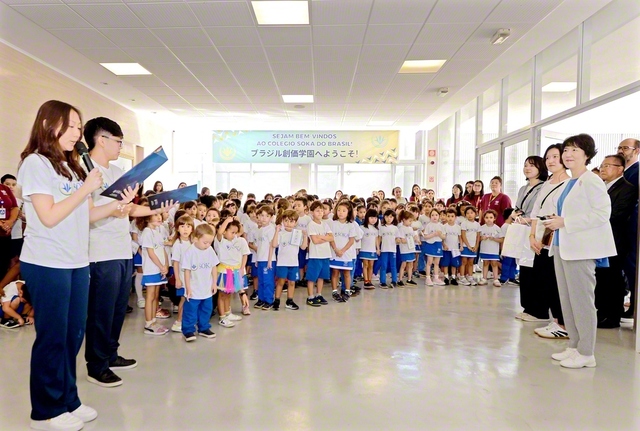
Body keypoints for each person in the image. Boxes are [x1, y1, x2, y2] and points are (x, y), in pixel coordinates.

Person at [17, 100, 136, 430]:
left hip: (76, 261)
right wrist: (86, 189)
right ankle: (45, 411)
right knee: (53, 338)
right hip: (46, 262)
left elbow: (87, 216)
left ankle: (68, 400)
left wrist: (117, 206)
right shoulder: (36, 163)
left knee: (73, 335)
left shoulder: (71, 167)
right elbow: (49, 216)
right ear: (48, 125)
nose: (76, 133)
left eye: (79, 127)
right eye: (70, 126)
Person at [83, 117, 173, 388]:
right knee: (100, 311)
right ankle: (96, 365)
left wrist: (158, 208)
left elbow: (129, 209)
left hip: (122, 249)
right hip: (100, 252)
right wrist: (118, 206)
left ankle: (110, 354)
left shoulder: (115, 172)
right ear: (101, 140)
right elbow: (90, 212)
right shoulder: (85, 171)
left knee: (117, 308)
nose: (121, 146)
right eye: (118, 141)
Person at [544, 134, 616, 369]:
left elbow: (602, 214)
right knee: (567, 301)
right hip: (562, 246)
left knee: (582, 301)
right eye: (566, 150)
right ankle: (574, 346)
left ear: (587, 155)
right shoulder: (570, 182)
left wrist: (566, 222)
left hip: (581, 250)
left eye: (575, 150)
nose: (568, 154)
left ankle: (586, 352)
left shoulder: (592, 180)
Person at [526, 144, 570, 337]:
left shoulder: (569, 183)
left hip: (557, 239)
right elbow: (536, 212)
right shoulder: (546, 183)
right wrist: (532, 236)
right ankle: (556, 321)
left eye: (555, 156)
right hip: (541, 239)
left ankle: (564, 325)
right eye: (548, 157)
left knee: (556, 281)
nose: (551, 161)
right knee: (544, 280)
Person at [595, 154, 637, 328]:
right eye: (602, 165)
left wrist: (593, 219)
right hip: (599, 240)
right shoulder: (601, 187)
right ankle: (601, 313)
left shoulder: (628, 188)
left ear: (620, 169)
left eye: (608, 165)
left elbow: (617, 215)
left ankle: (612, 317)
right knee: (601, 279)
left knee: (612, 279)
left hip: (615, 241)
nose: (603, 169)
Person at [181, 223, 219, 342]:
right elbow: (187, 271)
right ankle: (188, 330)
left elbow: (213, 267)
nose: (207, 245)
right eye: (205, 242)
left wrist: (214, 283)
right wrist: (188, 287)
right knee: (191, 310)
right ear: (196, 239)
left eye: (210, 243)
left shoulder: (210, 250)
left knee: (206, 309)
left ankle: (204, 328)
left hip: (207, 288)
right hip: (194, 289)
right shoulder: (190, 252)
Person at [139, 211, 170, 336]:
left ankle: (153, 321)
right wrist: (161, 266)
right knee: (150, 297)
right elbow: (151, 253)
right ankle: (148, 324)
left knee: (156, 296)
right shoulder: (147, 232)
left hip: (160, 269)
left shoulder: (157, 231)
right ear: (147, 218)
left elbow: (163, 250)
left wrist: (166, 265)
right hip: (151, 269)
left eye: (159, 215)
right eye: (155, 215)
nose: (159, 217)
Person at [618, 138, 639, 324]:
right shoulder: (621, 171)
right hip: (621, 228)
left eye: (625, 148)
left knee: (632, 267)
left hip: (632, 228)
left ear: (637, 150)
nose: (621, 151)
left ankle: (635, 306)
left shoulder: (637, 171)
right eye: (619, 147)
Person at [214, 217, 250, 323]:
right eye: (232, 232)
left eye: (235, 232)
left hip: (235, 271)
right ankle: (222, 317)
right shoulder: (220, 241)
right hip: (224, 271)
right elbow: (219, 232)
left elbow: (244, 255)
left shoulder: (238, 241)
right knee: (222, 294)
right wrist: (227, 221)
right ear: (225, 231)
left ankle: (227, 313)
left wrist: (241, 268)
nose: (234, 235)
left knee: (228, 293)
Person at [271, 209, 306, 310]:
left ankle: (289, 301)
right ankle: (276, 300)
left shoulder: (297, 234)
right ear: (282, 221)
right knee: (281, 282)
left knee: (292, 282)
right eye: (286, 221)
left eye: (291, 221)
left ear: (295, 223)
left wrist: (305, 236)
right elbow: (274, 244)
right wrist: (277, 231)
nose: (288, 223)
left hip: (293, 263)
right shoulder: (281, 233)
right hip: (282, 263)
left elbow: (303, 247)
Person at [169, 215, 195, 333]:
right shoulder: (177, 244)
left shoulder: (192, 242)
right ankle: (178, 322)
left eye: (188, 226)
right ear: (177, 229)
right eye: (182, 226)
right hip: (182, 277)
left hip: (192, 277)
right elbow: (175, 263)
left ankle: (186, 321)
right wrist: (178, 279)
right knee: (184, 299)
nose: (185, 229)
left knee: (190, 299)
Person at [329, 201, 358, 302]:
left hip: (346, 254)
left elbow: (351, 240)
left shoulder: (351, 225)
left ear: (348, 212)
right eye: (339, 210)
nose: (340, 212)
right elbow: (331, 238)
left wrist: (342, 250)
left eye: (344, 211)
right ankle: (334, 291)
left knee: (346, 273)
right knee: (335, 272)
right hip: (335, 253)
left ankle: (347, 291)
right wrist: (336, 249)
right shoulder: (332, 224)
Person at [305, 200, 333, 306]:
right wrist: (325, 237)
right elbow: (315, 241)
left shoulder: (325, 224)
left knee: (321, 276)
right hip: (315, 255)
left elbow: (331, 238)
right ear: (312, 212)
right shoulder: (311, 225)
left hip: (325, 254)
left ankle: (319, 294)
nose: (320, 213)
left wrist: (321, 236)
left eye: (321, 210)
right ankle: (310, 296)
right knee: (312, 277)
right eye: (317, 211)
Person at [2, 174, 24, 267]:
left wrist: (21, 216)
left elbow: (27, 218)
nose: (11, 187)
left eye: (14, 185)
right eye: (7, 184)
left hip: (17, 235)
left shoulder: (20, 201)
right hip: (5, 234)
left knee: (18, 260)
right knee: (7, 261)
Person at [478, 210, 503, 287]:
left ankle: (496, 279)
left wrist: (494, 239)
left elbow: (501, 240)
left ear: (494, 218)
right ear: (484, 218)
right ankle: (484, 278)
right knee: (485, 263)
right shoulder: (481, 228)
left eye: (491, 217)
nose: (489, 219)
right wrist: (482, 238)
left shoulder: (497, 228)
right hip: (485, 249)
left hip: (494, 250)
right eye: (487, 217)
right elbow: (478, 239)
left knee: (494, 263)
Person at [422, 209, 446, 286]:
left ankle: (436, 278)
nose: (434, 217)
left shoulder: (441, 226)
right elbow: (425, 236)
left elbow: (444, 237)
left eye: (436, 215)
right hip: (430, 245)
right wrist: (433, 234)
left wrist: (440, 234)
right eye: (432, 215)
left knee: (437, 263)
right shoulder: (428, 225)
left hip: (438, 244)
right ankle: (428, 278)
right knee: (429, 262)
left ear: (439, 216)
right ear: (430, 217)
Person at [0, 180, 18, 278]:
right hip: (3, 227)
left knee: (4, 265)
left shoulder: (5, 188)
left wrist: (10, 222)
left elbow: (15, 207)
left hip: (5, 234)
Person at [396, 210, 419, 286]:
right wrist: (411, 239)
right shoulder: (401, 229)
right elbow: (402, 240)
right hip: (405, 250)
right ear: (404, 220)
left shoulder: (410, 228)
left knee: (411, 265)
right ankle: (400, 279)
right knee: (404, 265)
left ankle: (409, 279)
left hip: (411, 249)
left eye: (411, 221)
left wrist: (416, 239)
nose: (410, 222)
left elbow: (414, 236)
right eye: (409, 221)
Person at [378, 209, 399, 289]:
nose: (389, 219)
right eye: (387, 216)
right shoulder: (381, 228)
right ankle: (382, 282)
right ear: (384, 217)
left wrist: (398, 240)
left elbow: (397, 238)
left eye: (391, 217)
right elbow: (379, 238)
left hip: (393, 250)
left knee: (393, 265)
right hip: (384, 250)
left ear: (393, 218)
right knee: (384, 265)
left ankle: (394, 281)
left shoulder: (395, 228)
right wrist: (378, 248)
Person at [441, 208, 462, 285]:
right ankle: (446, 277)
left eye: (452, 216)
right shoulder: (444, 227)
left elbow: (460, 237)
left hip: (455, 249)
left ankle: (453, 277)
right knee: (445, 264)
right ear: (446, 217)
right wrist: (444, 245)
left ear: (455, 217)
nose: (450, 218)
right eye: (448, 216)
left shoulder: (458, 227)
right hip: (446, 249)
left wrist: (461, 245)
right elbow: (442, 238)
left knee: (454, 264)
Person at [460, 206, 480, 286]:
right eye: (467, 213)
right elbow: (463, 235)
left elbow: (478, 236)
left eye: (471, 213)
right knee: (464, 261)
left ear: (475, 214)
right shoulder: (464, 223)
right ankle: (462, 277)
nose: (470, 215)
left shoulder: (477, 224)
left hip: (473, 247)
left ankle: (470, 276)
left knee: (471, 262)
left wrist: (476, 246)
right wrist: (468, 245)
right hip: (465, 246)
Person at [359, 209, 380, 289]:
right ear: (367, 217)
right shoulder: (362, 227)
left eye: (375, 218)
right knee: (365, 265)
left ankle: (369, 280)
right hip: (364, 249)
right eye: (371, 217)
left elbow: (376, 239)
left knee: (371, 265)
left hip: (372, 250)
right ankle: (366, 281)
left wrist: (378, 248)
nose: (373, 220)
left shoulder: (376, 229)